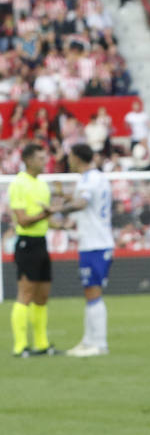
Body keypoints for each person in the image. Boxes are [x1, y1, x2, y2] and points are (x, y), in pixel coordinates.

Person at [7, 142, 71, 357]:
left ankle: (42, 344)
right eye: (41, 158)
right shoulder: (19, 184)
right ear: (28, 160)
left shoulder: (42, 185)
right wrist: (47, 214)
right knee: (25, 293)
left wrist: (60, 224)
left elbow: (45, 219)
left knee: (42, 295)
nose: (45, 162)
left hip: (42, 242)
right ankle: (20, 346)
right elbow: (23, 220)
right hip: (26, 243)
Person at [64, 143, 115, 357]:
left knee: (93, 291)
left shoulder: (87, 180)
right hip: (94, 241)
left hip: (95, 243)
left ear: (76, 158)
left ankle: (99, 344)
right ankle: (88, 341)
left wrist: (55, 208)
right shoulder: (99, 177)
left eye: (70, 157)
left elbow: (83, 203)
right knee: (90, 291)